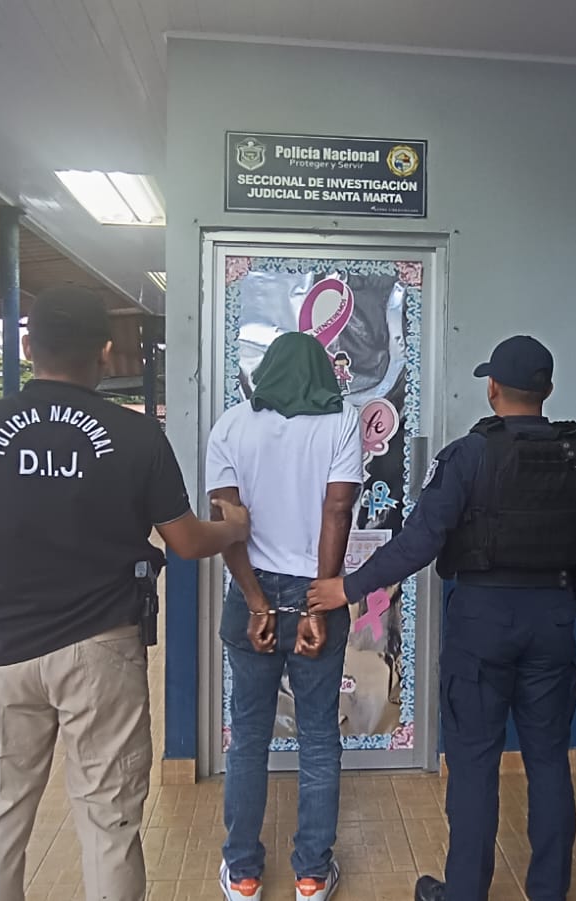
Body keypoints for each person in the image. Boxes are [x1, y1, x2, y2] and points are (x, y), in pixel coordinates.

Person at [0, 287, 252, 901]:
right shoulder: (135, 436)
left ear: (28, 347)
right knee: (110, 823)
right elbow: (185, 541)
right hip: (101, 649)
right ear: (104, 352)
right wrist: (234, 529)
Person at [308, 335, 576, 901]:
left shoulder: (469, 456)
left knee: (474, 765)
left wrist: (345, 588)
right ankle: (549, 890)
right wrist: (567, 603)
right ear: (547, 390)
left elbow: (418, 543)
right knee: (549, 762)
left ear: (493, 388)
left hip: (482, 624)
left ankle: (466, 892)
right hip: (551, 622)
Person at [206, 332, 363, 901]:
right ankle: (312, 876)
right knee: (318, 735)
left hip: (252, 588)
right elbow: (338, 509)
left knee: (248, 734)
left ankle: (244, 874)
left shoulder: (231, 426)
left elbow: (225, 520)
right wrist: (319, 600)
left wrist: (255, 601)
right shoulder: (342, 421)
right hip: (316, 587)